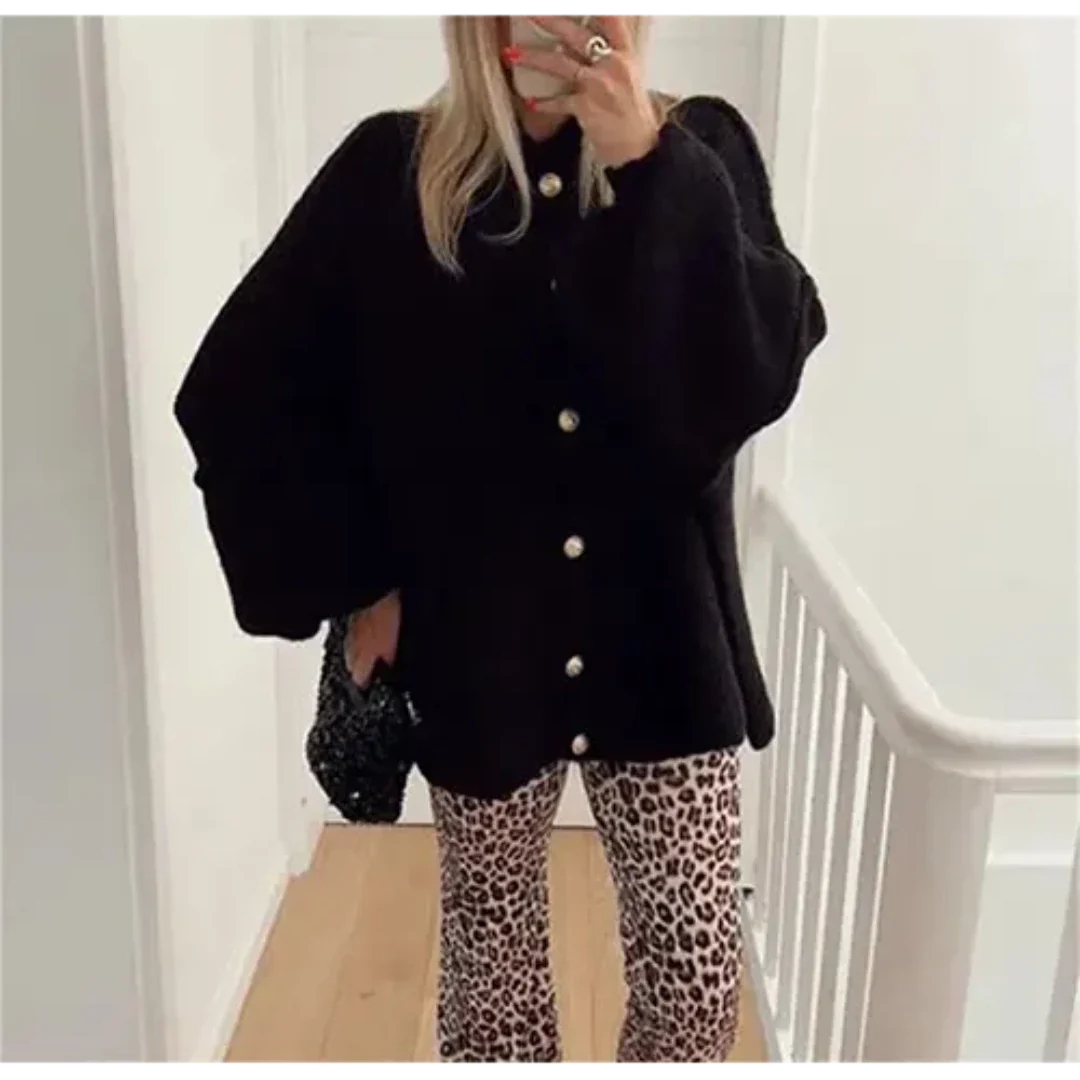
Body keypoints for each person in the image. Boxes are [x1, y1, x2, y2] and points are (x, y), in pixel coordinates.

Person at [175, 11, 826, 1065]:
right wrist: (360, 578)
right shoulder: (395, 170)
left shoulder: (699, 149)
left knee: (697, 977)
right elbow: (245, 386)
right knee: (492, 990)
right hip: (479, 643)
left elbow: (750, 375)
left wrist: (647, 166)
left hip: (663, 642)